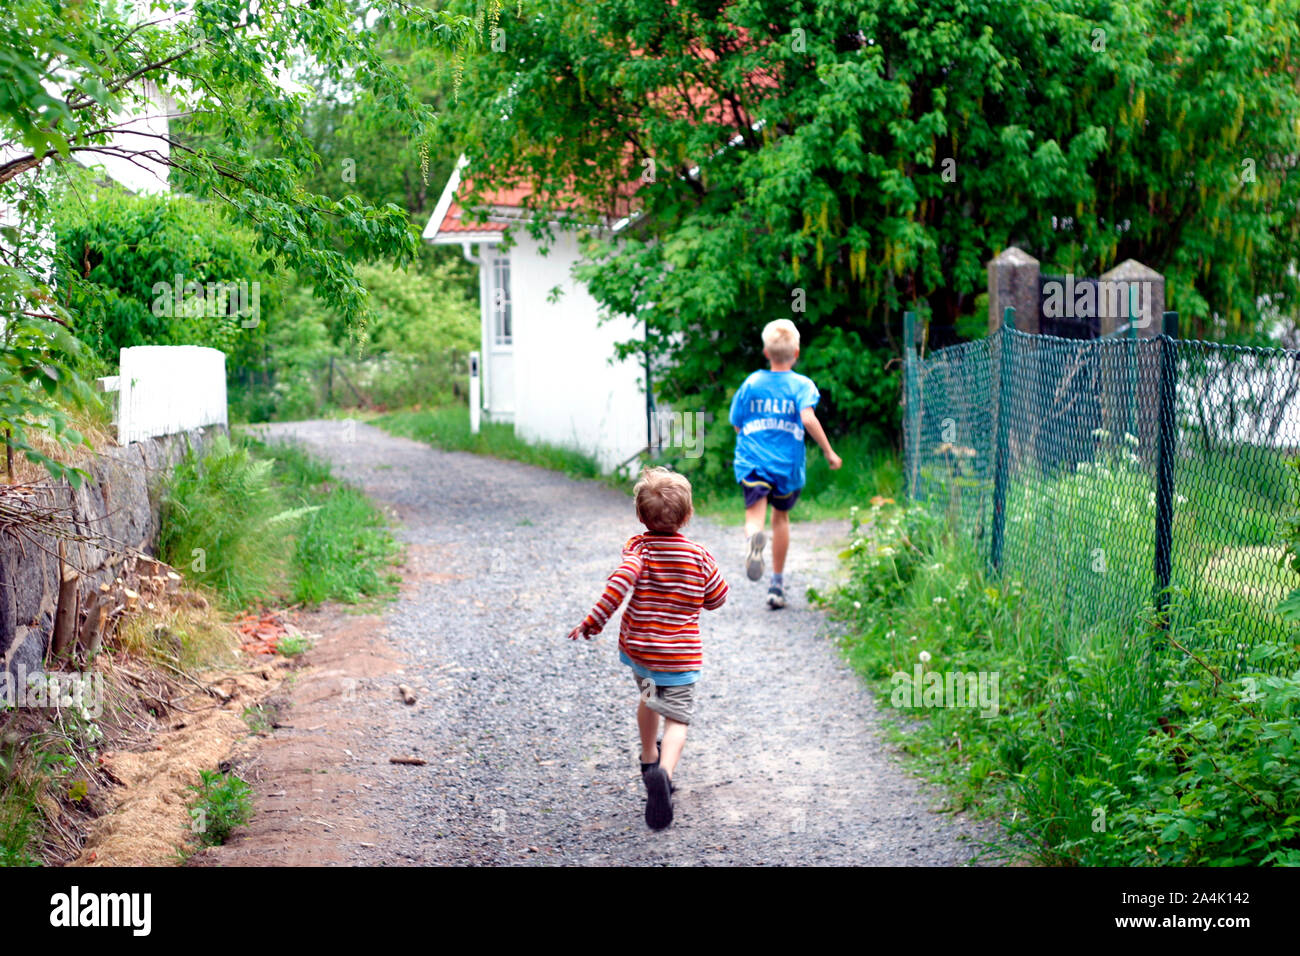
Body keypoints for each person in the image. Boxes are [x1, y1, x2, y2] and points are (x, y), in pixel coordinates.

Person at [568, 467, 728, 830]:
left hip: (643, 656)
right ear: (687, 516)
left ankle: (648, 758)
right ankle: (665, 776)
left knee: (649, 698)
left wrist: (593, 621)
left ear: (640, 516)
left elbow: (619, 584)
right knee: (678, 721)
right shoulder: (698, 555)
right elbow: (717, 598)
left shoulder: (638, 550)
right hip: (680, 658)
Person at [729, 318, 842, 609]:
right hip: (787, 466)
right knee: (780, 519)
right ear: (796, 353)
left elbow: (737, 424)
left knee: (755, 517)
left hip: (753, 461)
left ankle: (754, 538)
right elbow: (807, 418)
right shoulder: (801, 385)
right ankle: (776, 584)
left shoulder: (751, 383)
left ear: (766, 353)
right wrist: (829, 452)